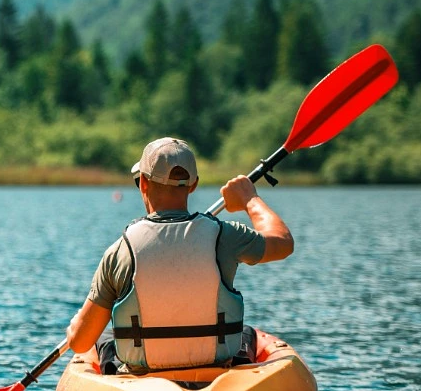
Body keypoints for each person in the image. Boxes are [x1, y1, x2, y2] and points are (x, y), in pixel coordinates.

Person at [65, 137, 294, 373]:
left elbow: (80, 342)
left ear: (143, 182)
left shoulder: (120, 251)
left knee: (104, 335)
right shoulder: (225, 236)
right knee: (247, 334)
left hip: (143, 377)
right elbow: (283, 243)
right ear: (193, 185)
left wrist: (74, 328)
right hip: (216, 370)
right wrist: (249, 199)